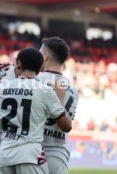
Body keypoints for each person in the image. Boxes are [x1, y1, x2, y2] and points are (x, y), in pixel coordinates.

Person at [0, 48, 72, 174]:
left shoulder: (0, 88)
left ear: (19, 63)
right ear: (40, 68)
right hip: (30, 155)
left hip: (4, 156)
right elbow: (66, 126)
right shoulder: (45, 91)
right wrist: (60, 98)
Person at [38, 37, 79, 174]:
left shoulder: (34, 80)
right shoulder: (74, 89)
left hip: (34, 151)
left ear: (46, 56)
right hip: (59, 154)